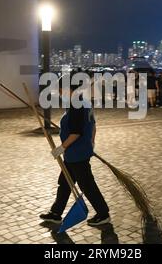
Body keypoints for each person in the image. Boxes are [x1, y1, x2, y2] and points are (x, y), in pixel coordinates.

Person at [40, 74, 110, 226]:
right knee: (65, 183)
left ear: (66, 89)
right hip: (77, 152)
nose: (59, 94)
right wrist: (91, 144)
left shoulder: (76, 104)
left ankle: (103, 213)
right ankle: (56, 213)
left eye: (60, 90)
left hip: (76, 153)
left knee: (87, 185)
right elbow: (92, 126)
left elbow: (76, 132)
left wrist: (61, 147)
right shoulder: (82, 102)